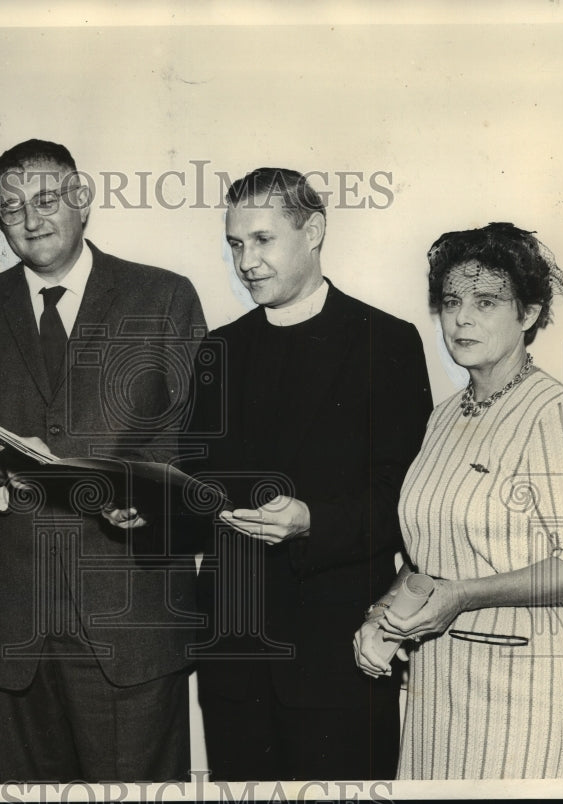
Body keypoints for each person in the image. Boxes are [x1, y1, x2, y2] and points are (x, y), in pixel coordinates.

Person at [0, 139, 206, 782]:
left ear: (82, 199)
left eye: (46, 200)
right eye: (10, 208)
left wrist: (146, 497)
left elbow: (191, 437)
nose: (30, 219)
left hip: (131, 619)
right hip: (11, 622)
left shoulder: (164, 297)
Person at [181, 167, 433, 780]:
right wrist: (145, 505)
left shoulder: (387, 342)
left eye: (263, 240)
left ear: (313, 231)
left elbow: (407, 500)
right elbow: (193, 488)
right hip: (235, 659)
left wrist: (313, 521)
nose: (246, 261)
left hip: (339, 659)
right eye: (236, 244)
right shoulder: (218, 349)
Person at [354, 222, 563, 779]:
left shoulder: (558, 415)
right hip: (437, 682)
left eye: (486, 301)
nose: (462, 317)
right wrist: (384, 615)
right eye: (451, 301)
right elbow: (432, 557)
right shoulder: (445, 417)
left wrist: (464, 596)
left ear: (528, 314)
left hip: (525, 690)